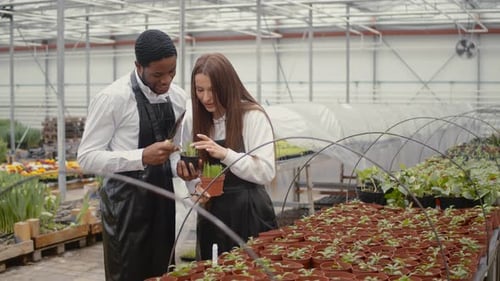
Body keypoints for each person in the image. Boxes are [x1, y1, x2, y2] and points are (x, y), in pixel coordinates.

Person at [77, 29, 188, 281]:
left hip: (162, 200)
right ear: (138, 66)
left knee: (163, 270)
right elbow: (86, 157)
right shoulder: (113, 99)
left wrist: (180, 168)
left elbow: (173, 154)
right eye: (157, 75)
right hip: (124, 204)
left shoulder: (179, 97)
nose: (166, 81)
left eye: (172, 71)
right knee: (128, 273)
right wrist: (141, 157)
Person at [177, 52, 278, 260]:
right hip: (212, 214)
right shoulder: (193, 120)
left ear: (228, 86)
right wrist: (194, 187)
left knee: (252, 270)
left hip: (250, 212)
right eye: (200, 90)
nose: (206, 98)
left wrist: (225, 154)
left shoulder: (251, 116)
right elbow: (191, 168)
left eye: (213, 90)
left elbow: (266, 171)